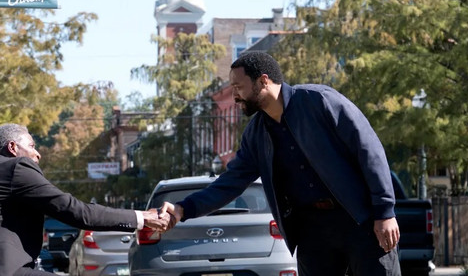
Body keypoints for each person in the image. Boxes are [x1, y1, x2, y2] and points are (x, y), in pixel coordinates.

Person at [162, 51, 401, 276]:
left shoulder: (320, 101)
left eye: (238, 87)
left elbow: (369, 151)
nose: (235, 97)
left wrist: (385, 212)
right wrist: (183, 209)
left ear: (263, 81)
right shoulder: (255, 134)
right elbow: (229, 183)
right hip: (313, 233)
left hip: (361, 221)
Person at [0, 123, 169, 276]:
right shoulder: (15, 168)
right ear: (12, 147)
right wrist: (141, 217)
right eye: (31, 145)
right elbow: (76, 211)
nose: (37, 153)